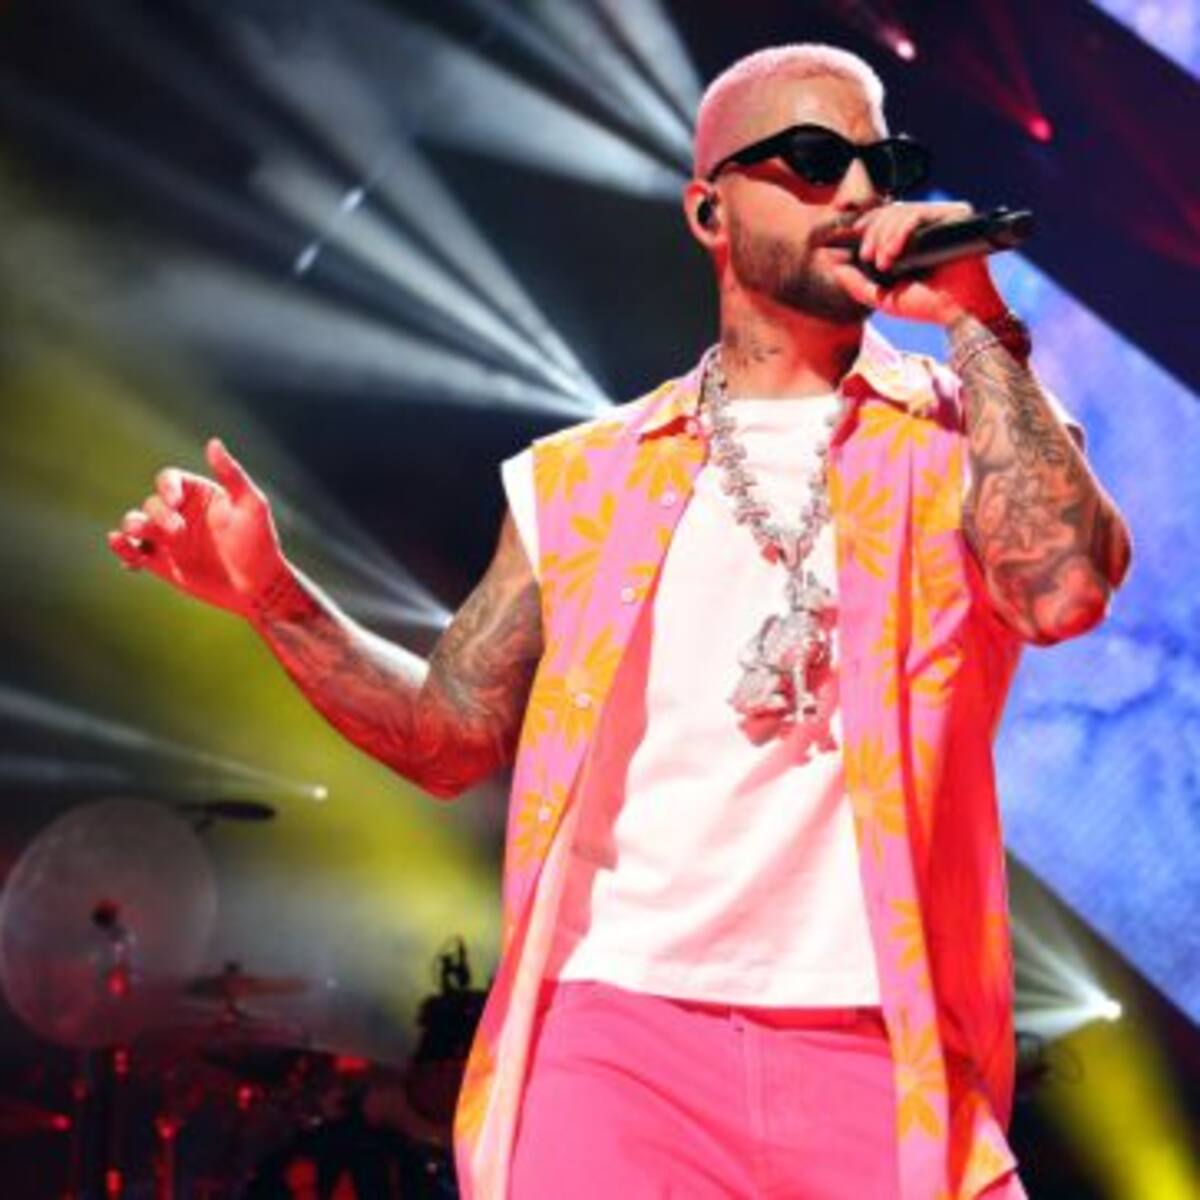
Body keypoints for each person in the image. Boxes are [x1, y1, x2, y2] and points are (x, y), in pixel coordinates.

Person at [108, 41, 1131, 1200]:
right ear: (709, 211)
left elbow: (1064, 590)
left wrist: (979, 323)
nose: (856, 191)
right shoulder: (586, 478)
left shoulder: (967, 428)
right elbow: (450, 736)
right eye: (812, 158)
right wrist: (272, 596)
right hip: (621, 1048)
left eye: (880, 164)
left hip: (881, 1053)